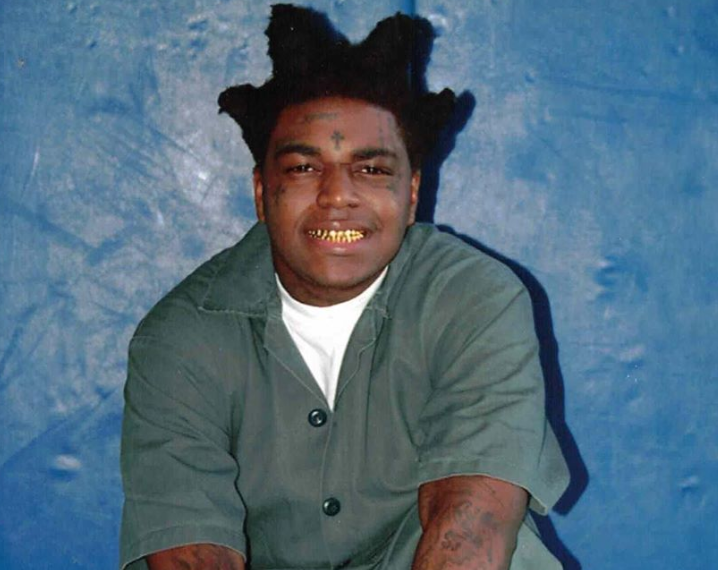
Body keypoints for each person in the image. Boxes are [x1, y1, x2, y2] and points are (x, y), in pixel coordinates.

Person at [119, 4, 569, 569]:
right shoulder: (181, 336)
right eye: (304, 168)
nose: (337, 195)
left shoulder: (474, 300)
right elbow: (191, 553)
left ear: (411, 195)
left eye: (371, 169)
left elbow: (472, 528)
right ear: (261, 192)